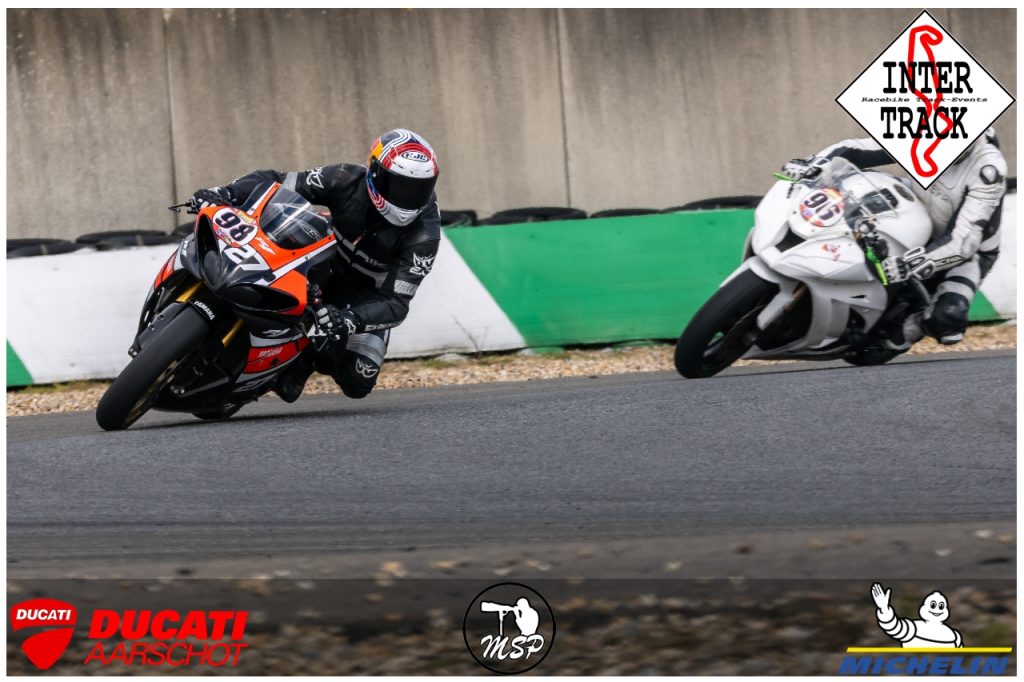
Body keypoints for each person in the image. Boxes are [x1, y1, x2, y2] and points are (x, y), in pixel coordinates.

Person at [187, 129, 441, 401]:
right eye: (401, 186)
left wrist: (351, 319)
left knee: (358, 380)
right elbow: (276, 181)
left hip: (364, 296)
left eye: (419, 189)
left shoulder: (425, 235)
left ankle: (305, 357)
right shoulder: (344, 178)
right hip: (319, 263)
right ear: (375, 173)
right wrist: (224, 193)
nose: (409, 198)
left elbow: (397, 303)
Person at [782, 128, 1007, 349]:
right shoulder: (927, 132)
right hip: (916, 209)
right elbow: (857, 149)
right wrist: (816, 163)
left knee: (948, 314)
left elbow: (963, 242)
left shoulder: (988, 170)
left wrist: (910, 265)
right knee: (856, 190)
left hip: (968, 253)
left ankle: (909, 329)